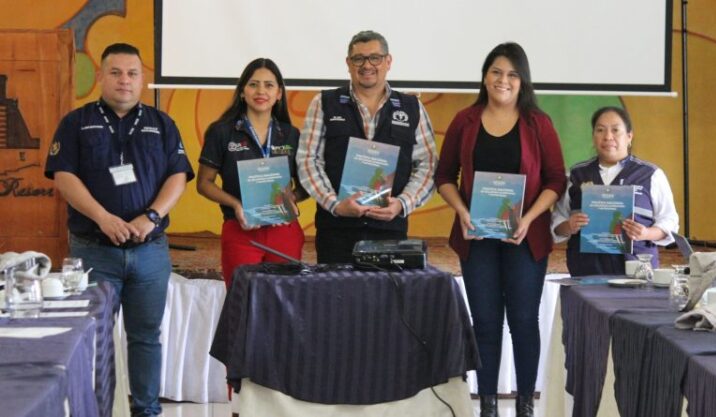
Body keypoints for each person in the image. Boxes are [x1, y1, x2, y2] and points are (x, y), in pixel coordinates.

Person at [44, 43, 194, 417]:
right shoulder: (75, 123)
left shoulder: (162, 124)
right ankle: (94, 411)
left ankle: (146, 410)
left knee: (146, 337)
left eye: (132, 73)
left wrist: (152, 217)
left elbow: (178, 176)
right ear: (100, 76)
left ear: (142, 80)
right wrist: (103, 218)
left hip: (149, 251)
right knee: (91, 339)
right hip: (94, 250)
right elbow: (64, 176)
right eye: (115, 72)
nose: (124, 80)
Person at [434, 42, 566, 417]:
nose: (503, 80)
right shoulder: (465, 120)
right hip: (477, 239)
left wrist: (529, 218)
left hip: (525, 238)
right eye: (496, 72)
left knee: (523, 321)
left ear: (522, 80)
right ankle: (488, 405)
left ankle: (525, 404)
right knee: (486, 323)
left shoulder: (538, 123)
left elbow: (556, 180)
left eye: (511, 74)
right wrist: (462, 211)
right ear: (484, 77)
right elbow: (444, 176)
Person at [296, 30, 438, 264]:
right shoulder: (324, 103)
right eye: (358, 59)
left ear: (388, 61)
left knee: (384, 290)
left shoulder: (412, 107)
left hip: (390, 230)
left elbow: (428, 165)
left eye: (375, 58)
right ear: (348, 63)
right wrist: (335, 205)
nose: (367, 65)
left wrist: (402, 204)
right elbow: (308, 160)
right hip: (336, 230)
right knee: (334, 289)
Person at [197, 58, 306, 287]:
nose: (261, 91)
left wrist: (291, 199)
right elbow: (204, 183)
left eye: (269, 85)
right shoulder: (222, 132)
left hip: (283, 229)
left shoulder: (291, 134)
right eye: (253, 84)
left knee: (285, 300)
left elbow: (307, 184)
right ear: (242, 92)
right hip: (240, 229)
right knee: (243, 300)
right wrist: (236, 205)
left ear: (279, 93)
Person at [551, 106, 679, 276]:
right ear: (593, 136)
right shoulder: (576, 174)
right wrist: (569, 225)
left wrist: (646, 233)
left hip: (637, 272)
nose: (608, 137)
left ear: (629, 136)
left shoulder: (650, 174)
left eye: (616, 130)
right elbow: (557, 222)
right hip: (586, 272)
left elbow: (669, 221)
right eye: (600, 130)